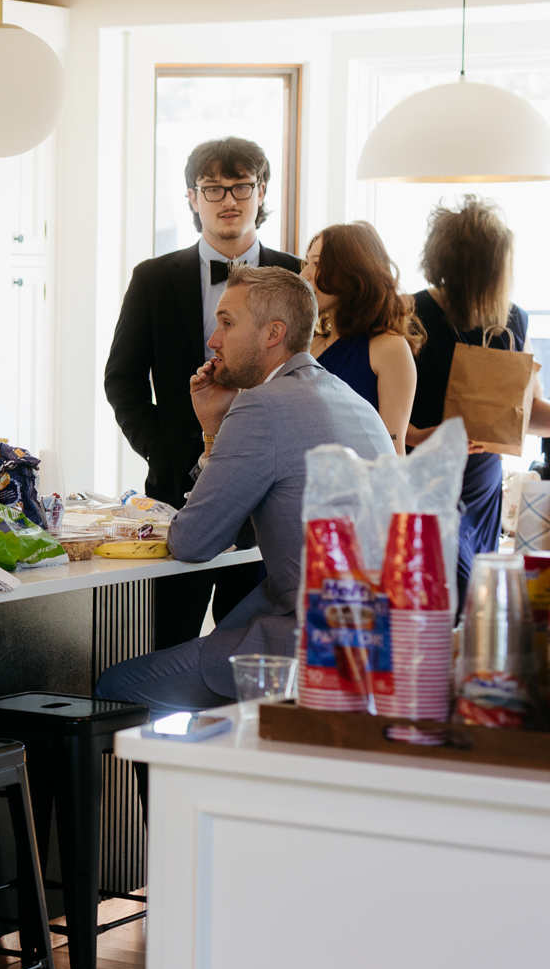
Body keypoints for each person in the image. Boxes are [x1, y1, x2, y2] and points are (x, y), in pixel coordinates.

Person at [96, 266, 390, 711]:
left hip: (312, 645)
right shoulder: (356, 402)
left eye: (227, 323)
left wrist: (215, 429)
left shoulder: (261, 405)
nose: (213, 340)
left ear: (274, 333)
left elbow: (194, 541)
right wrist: (214, 428)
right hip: (383, 642)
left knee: (114, 687)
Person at [105, 136, 301, 650]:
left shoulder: (297, 276)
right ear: (192, 198)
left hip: (271, 494)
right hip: (174, 492)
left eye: (241, 186)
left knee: (254, 647)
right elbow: (121, 379)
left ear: (262, 192)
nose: (229, 200)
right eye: (214, 188)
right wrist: (160, 446)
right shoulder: (152, 278)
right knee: (166, 641)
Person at [404, 196, 550, 602]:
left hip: (482, 484)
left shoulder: (513, 319)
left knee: (472, 605)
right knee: (441, 597)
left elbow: (525, 413)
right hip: (426, 480)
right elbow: (380, 409)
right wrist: (418, 436)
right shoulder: (410, 314)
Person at [301, 221, 422, 455]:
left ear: (351, 272)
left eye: (316, 264)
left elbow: (392, 449)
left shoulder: (389, 348)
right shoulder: (310, 343)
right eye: (307, 263)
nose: (304, 274)